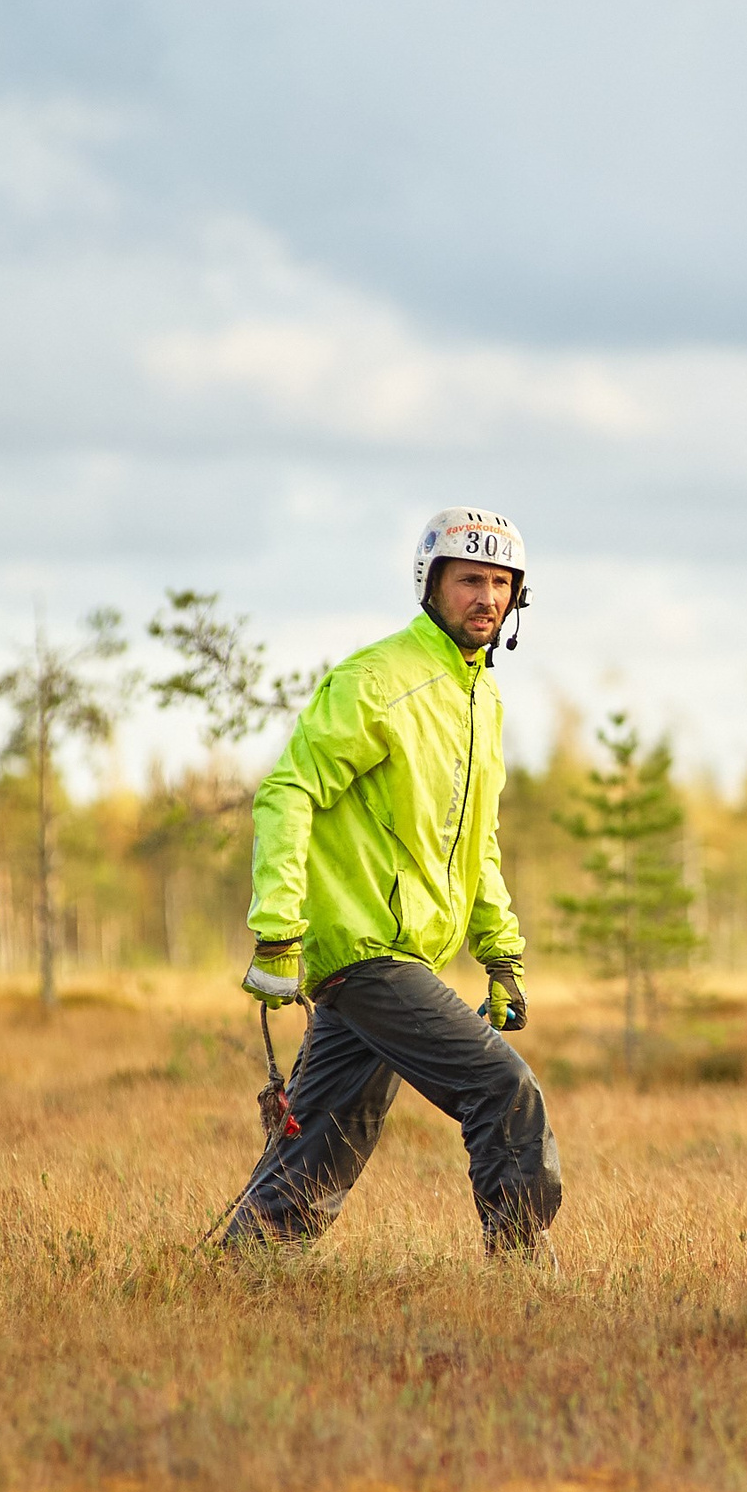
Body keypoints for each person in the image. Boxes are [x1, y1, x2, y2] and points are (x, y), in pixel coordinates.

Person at [221, 507, 561, 1253]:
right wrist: (278, 930)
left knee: (318, 1150)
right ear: (431, 585)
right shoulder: (379, 680)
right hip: (367, 949)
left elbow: (479, 842)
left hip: (402, 956)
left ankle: (237, 1273)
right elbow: (288, 791)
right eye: (470, 579)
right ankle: (526, 1281)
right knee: (503, 1091)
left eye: (502, 582)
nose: (487, 597)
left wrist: (501, 953)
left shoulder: (483, 700)